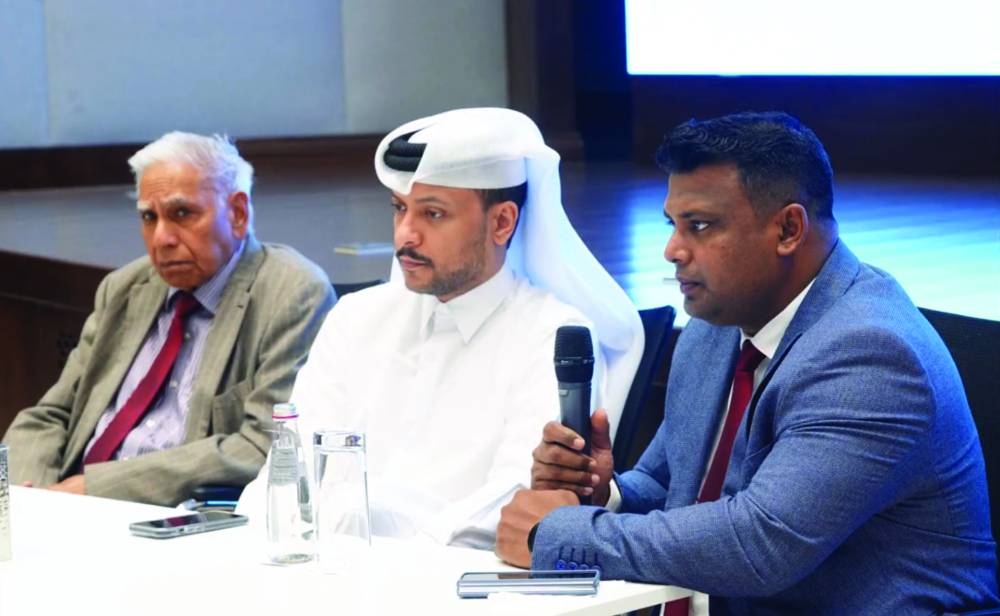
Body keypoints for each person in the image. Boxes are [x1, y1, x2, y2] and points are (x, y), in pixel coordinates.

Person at [496, 111, 999, 613]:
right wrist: (603, 494)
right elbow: (669, 487)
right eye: (673, 224)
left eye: (700, 226)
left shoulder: (871, 355)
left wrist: (556, 534)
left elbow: (760, 544)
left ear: (788, 229)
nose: (672, 250)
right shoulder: (715, 324)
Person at [237, 107, 643, 548]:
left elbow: (516, 506)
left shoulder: (551, 333)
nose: (404, 236)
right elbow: (289, 466)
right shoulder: (356, 318)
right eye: (399, 209)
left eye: (432, 214)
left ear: (502, 222)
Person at [2, 132, 335, 506]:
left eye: (182, 214)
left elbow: (264, 444)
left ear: (238, 213)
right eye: (149, 217)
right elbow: (51, 414)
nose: (161, 238)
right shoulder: (125, 288)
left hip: (170, 517)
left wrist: (93, 491)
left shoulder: (291, 293)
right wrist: (28, 497)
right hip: (68, 504)